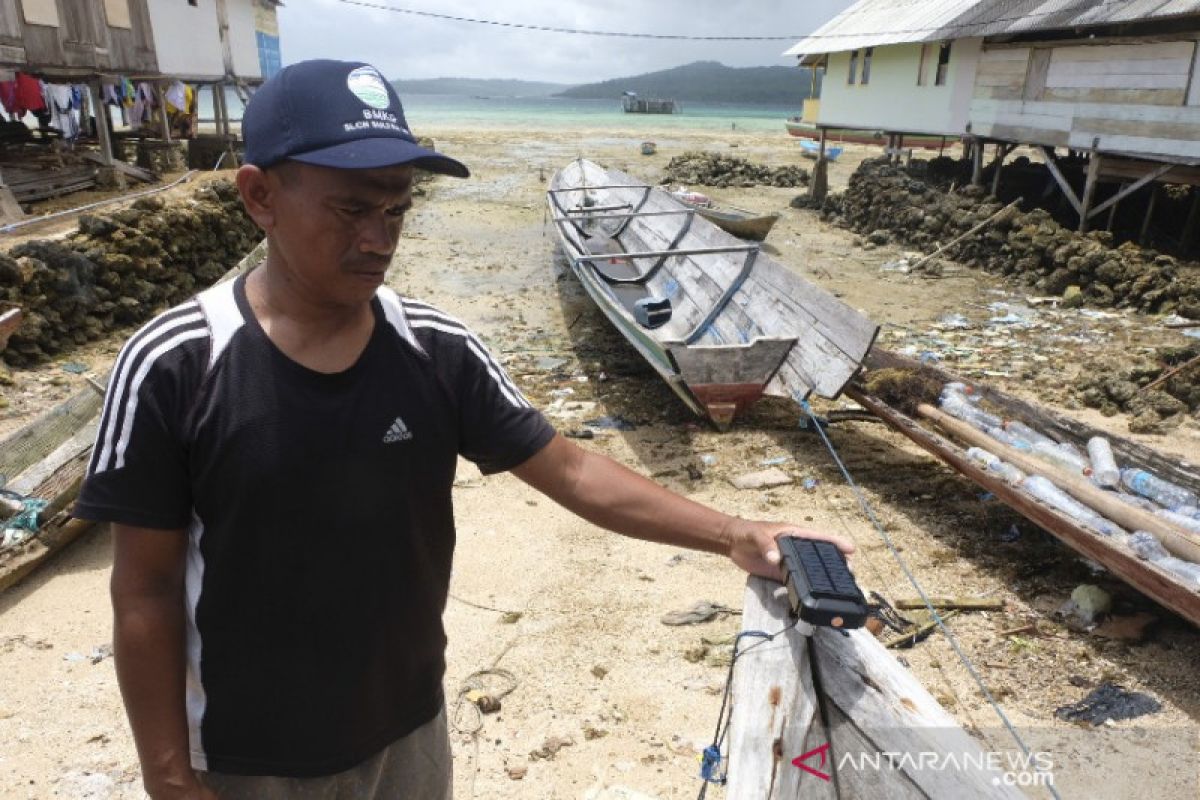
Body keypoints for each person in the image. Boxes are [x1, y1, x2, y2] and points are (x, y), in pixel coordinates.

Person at [75, 59, 851, 800]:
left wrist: (733, 533)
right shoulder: (178, 363)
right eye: (351, 208)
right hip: (247, 760)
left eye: (398, 209)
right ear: (258, 196)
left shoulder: (435, 349)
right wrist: (168, 775)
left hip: (409, 734)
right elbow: (143, 589)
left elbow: (573, 472)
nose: (379, 238)